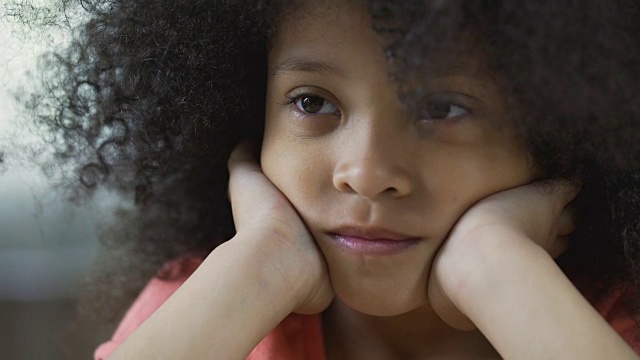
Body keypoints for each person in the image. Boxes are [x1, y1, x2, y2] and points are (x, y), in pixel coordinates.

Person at [24, 0, 640, 358]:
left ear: (560, 134)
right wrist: (261, 264)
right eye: (313, 102)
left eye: (443, 109)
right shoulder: (210, 309)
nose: (366, 174)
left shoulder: (599, 326)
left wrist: (498, 269)